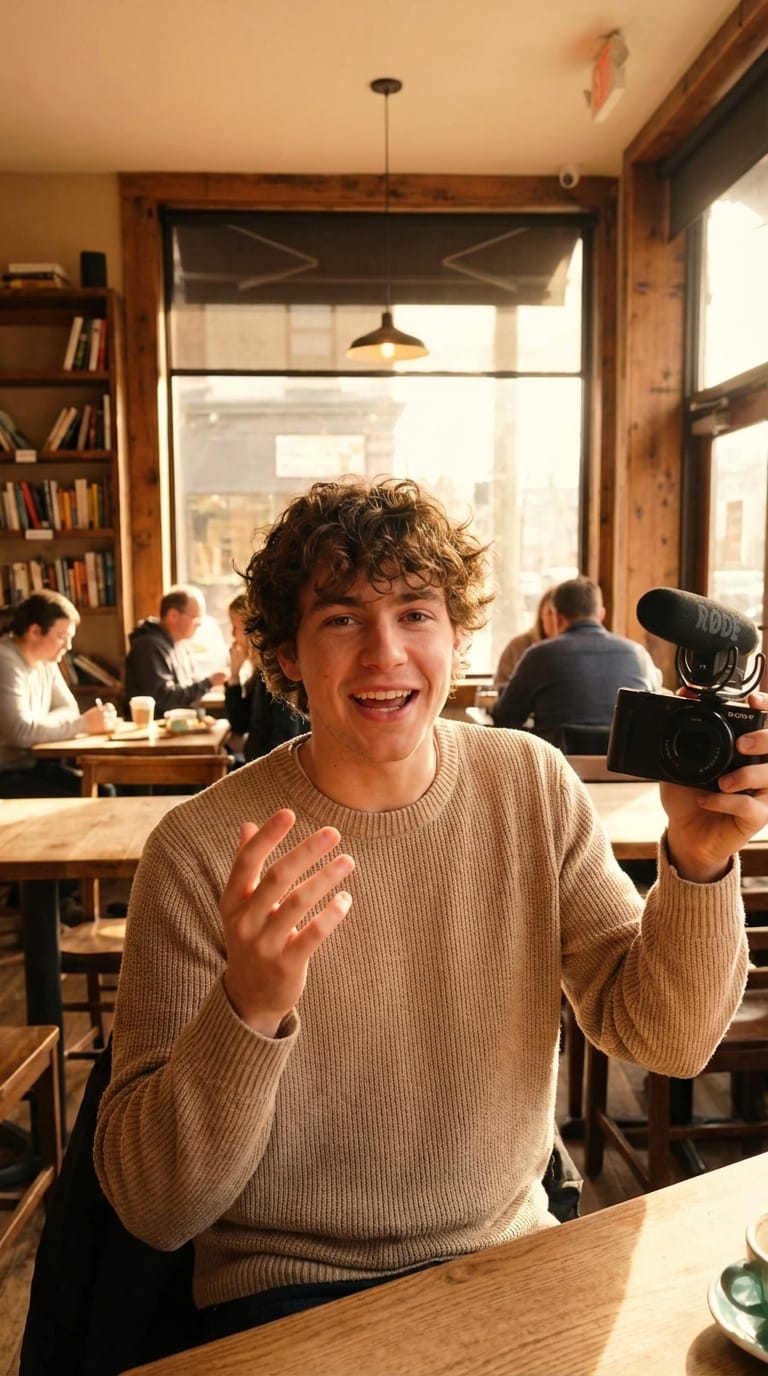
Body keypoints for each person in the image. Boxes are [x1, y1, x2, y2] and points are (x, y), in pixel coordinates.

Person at [95, 476, 764, 1352]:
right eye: (341, 618)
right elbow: (155, 1206)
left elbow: (666, 1041)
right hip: (289, 1295)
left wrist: (702, 861)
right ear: (286, 654)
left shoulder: (529, 784)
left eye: (416, 612)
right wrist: (248, 1009)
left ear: (456, 635)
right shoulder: (200, 848)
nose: (385, 654)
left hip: (514, 1256)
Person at [491, 574, 660, 744]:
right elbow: (654, 716)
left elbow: (504, 719)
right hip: (624, 767)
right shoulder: (639, 655)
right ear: (601, 614)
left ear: (556, 617)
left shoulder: (539, 655)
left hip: (558, 765)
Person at [0, 590, 117, 797]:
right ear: (35, 631)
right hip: (6, 772)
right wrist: (84, 724)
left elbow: (69, 709)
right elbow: (20, 733)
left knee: (104, 790)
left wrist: (37, 725)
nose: (69, 646)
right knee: (89, 798)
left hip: (31, 764)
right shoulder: (5, 661)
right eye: (62, 637)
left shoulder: (46, 660)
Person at [225, 593, 308, 763]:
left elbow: (284, 741)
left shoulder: (276, 672)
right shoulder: (258, 670)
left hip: (268, 771)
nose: (233, 634)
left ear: (252, 631)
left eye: (235, 627)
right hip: (257, 762)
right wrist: (234, 676)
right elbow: (240, 724)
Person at [123, 584, 227, 718]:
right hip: (160, 732)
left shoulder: (180, 646)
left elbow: (189, 688)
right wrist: (208, 683)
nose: (199, 624)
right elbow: (163, 699)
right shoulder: (148, 647)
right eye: (196, 618)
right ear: (173, 615)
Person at [493, 586, 557, 689]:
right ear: (541, 612)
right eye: (550, 612)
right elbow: (500, 690)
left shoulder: (571, 650)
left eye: (560, 614)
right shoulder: (518, 647)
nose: (555, 619)